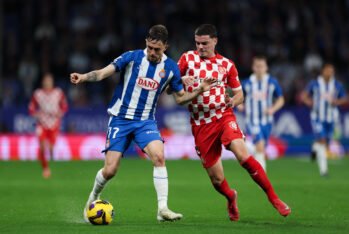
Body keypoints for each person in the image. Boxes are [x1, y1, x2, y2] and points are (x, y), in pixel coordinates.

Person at [70, 25, 215, 222]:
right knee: (110, 170)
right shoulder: (132, 57)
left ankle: (162, 209)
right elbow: (104, 73)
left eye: (157, 49)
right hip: (120, 119)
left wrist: (200, 90)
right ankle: (92, 200)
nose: (152, 53)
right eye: (149, 48)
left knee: (159, 156)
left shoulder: (171, 68)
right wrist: (84, 77)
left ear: (165, 46)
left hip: (145, 121)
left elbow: (180, 99)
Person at [177, 24, 291, 221]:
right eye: (197, 43)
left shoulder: (227, 65)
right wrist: (181, 81)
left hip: (223, 116)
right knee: (217, 179)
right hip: (201, 124)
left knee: (243, 155)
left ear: (215, 41)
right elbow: (171, 84)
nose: (200, 47)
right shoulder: (187, 59)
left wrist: (233, 101)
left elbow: (240, 94)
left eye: (204, 43)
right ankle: (231, 196)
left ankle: (274, 197)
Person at [238, 56, 285, 171]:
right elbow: (237, 97)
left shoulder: (272, 83)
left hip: (267, 121)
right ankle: (262, 176)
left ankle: (246, 147)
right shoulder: (246, 83)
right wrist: (239, 105)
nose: (259, 69)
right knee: (259, 146)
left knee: (261, 148)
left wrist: (273, 109)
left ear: (266, 67)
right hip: (252, 120)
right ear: (253, 67)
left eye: (261, 66)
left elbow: (281, 99)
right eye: (257, 66)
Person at [301, 63, 347, 176]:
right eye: (328, 71)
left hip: (331, 118)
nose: (329, 73)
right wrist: (308, 102)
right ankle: (324, 171)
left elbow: (345, 98)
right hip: (317, 117)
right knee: (322, 139)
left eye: (331, 71)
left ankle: (314, 148)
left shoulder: (337, 85)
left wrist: (338, 102)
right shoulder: (315, 83)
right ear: (323, 71)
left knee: (325, 143)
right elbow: (304, 96)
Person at [28, 73, 68, 178]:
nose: (47, 83)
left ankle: (51, 156)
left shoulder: (58, 93)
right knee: (42, 147)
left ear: (52, 82)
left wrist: (61, 112)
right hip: (42, 123)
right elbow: (31, 107)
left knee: (50, 147)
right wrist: (35, 114)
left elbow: (64, 105)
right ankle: (45, 168)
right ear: (43, 82)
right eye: (46, 81)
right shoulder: (38, 93)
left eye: (49, 81)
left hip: (54, 123)